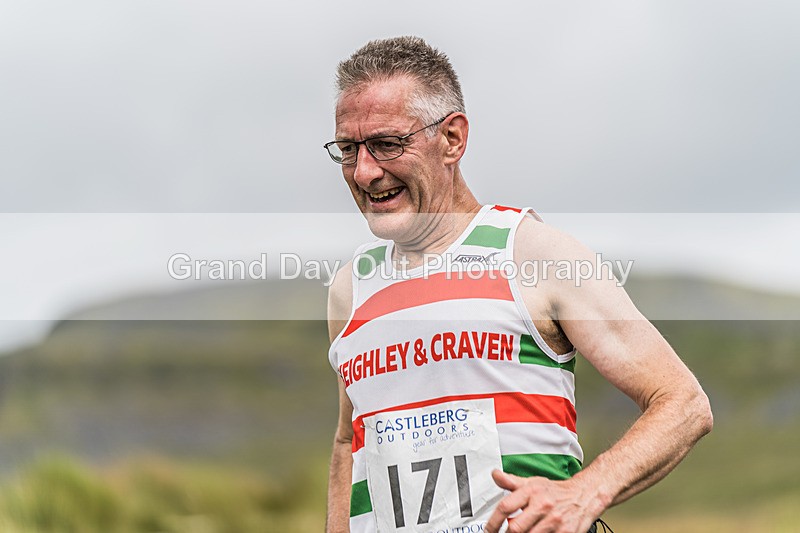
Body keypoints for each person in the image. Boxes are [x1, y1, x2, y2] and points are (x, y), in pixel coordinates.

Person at [324, 36, 712, 533]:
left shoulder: (534, 253)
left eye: (386, 144)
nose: (364, 171)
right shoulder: (348, 289)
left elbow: (682, 402)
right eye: (348, 149)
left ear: (452, 139)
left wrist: (583, 494)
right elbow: (347, 441)